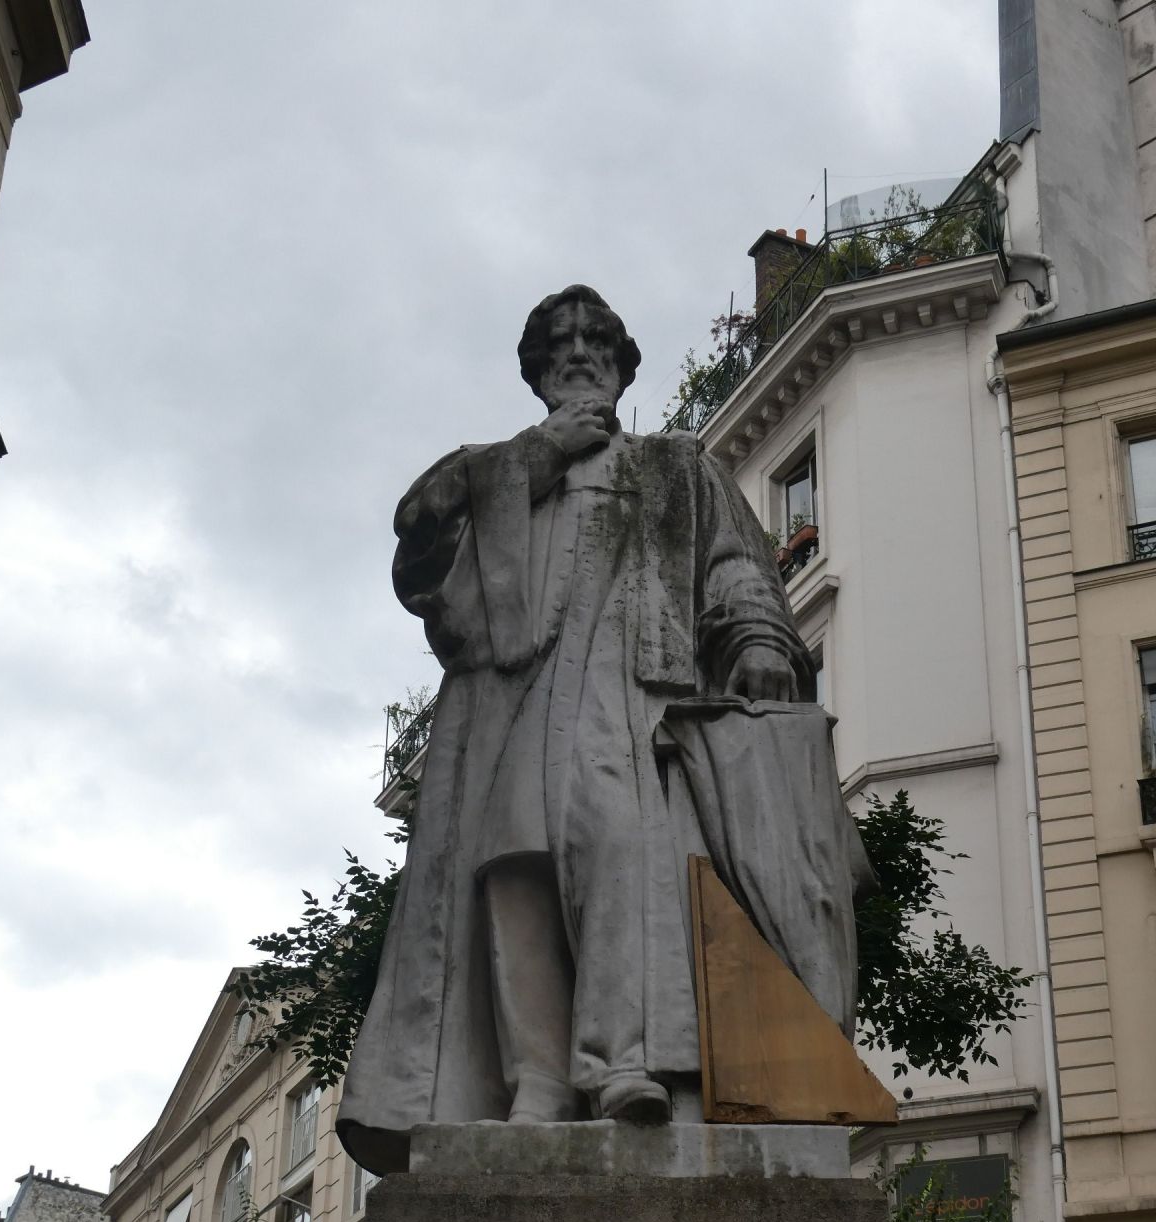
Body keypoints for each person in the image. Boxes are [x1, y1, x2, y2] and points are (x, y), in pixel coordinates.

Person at [337, 285, 858, 1175]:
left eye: (595, 341)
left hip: (632, 697)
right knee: (513, 865)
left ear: (620, 364)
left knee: (617, 847)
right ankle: (536, 1085)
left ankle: (623, 1063)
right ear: (538, 372)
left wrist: (759, 638)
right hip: (514, 702)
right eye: (559, 344)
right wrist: (539, 456)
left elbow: (736, 567)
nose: (578, 353)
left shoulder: (675, 466)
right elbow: (420, 551)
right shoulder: (494, 469)